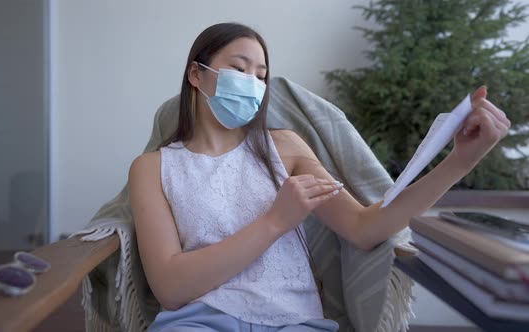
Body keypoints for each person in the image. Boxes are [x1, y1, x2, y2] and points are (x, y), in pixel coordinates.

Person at [128, 22, 510, 332]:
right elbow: (171, 288)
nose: (252, 83)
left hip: (294, 321)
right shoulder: (152, 168)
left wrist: (461, 161)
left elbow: (365, 227)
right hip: (198, 322)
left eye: (261, 75)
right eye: (239, 68)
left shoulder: (286, 148)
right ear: (196, 73)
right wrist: (276, 222)